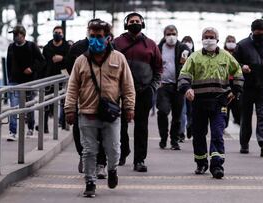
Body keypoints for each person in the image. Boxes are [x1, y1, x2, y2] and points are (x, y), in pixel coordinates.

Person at [65, 20, 135, 197]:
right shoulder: (81, 60)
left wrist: (129, 107)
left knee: (113, 148)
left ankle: (112, 169)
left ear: (108, 38)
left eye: (99, 36)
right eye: (92, 36)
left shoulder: (118, 58)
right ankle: (90, 182)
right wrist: (69, 109)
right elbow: (72, 86)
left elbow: (127, 85)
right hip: (87, 113)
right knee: (89, 150)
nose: (95, 39)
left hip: (111, 114)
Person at [178, 27, 243, 179]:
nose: (208, 39)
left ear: (217, 39)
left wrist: (236, 90)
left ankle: (217, 165)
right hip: (199, 102)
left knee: (217, 133)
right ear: (202, 39)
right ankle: (201, 163)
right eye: (206, 37)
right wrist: (187, 89)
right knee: (199, 134)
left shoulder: (226, 57)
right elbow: (184, 75)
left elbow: (238, 72)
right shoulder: (194, 57)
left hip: (220, 102)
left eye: (211, 36)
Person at [114, 12, 162, 171]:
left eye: (137, 21)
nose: (134, 23)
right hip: (121, 92)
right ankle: (122, 151)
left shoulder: (151, 44)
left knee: (141, 126)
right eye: (131, 21)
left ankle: (139, 160)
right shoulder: (117, 43)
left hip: (143, 91)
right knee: (120, 125)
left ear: (142, 24)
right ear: (126, 24)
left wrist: (153, 87)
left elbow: (158, 68)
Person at [65, 19, 108, 179]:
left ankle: (101, 163)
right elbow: (68, 69)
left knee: (103, 132)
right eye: (93, 31)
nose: (96, 35)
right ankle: (83, 157)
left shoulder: (111, 49)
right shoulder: (77, 48)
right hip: (82, 100)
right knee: (80, 131)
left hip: (104, 101)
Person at [233, 19, 263, 157]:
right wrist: (241, 67)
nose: (260, 37)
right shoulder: (242, 45)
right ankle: (244, 143)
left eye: (262, 34)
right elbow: (233, 64)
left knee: (262, 114)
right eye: (258, 34)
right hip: (246, 87)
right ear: (252, 31)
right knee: (246, 116)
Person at [6, 24, 45, 141]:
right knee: (13, 107)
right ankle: (12, 131)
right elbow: (8, 64)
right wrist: (9, 79)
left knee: (29, 107)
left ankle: (30, 127)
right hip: (14, 82)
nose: (14, 37)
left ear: (22, 35)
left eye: (16, 34)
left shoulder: (31, 46)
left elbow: (42, 61)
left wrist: (32, 69)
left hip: (29, 82)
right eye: (13, 35)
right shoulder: (11, 47)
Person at [157, 25, 191, 150]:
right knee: (163, 111)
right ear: (164, 35)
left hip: (178, 87)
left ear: (177, 34)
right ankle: (163, 137)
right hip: (163, 86)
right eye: (168, 34)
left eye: (173, 33)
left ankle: (174, 140)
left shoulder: (183, 48)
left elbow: (189, 63)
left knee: (177, 115)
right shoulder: (159, 48)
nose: (171, 36)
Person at [41, 25, 70, 133]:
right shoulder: (47, 48)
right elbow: (43, 63)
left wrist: (62, 58)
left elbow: (70, 61)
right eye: (56, 32)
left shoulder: (67, 47)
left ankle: (63, 123)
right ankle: (45, 126)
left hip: (63, 77)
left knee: (64, 101)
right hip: (50, 78)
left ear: (62, 35)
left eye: (59, 33)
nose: (57, 34)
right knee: (47, 102)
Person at [223, 35, 241, 131]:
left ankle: (238, 121)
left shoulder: (239, 53)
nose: (231, 42)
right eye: (229, 41)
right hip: (225, 82)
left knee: (237, 106)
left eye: (232, 41)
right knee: (225, 105)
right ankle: (223, 124)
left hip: (236, 82)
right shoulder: (221, 53)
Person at [178, 36, 195, 141]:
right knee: (182, 111)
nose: (187, 43)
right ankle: (181, 132)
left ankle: (190, 127)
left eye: (189, 42)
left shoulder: (196, 56)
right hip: (183, 86)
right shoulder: (180, 55)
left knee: (191, 111)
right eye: (185, 42)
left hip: (193, 87)